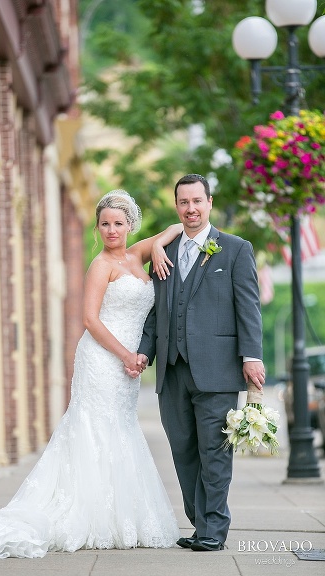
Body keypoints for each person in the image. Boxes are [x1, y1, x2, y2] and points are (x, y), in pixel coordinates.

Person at [0, 190, 183, 559]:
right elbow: (90, 319)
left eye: (118, 223)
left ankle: (121, 517)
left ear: (130, 225)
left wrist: (161, 248)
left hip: (127, 364)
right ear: (98, 228)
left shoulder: (139, 254)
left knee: (120, 427)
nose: (112, 230)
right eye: (105, 224)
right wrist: (125, 355)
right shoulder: (101, 265)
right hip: (103, 358)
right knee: (93, 427)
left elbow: (173, 227)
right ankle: (88, 515)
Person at [135, 174, 265, 552]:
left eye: (197, 201)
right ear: (177, 207)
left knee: (214, 452)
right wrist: (145, 351)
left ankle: (213, 530)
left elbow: (248, 308)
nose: (190, 209)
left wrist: (251, 356)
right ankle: (199, 521)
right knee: (183, 450)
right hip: (172, 371)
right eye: (183, 202)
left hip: (218, 369)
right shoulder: (166, 251)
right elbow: (154, 311)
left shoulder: (236, 249)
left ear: (209, 202)